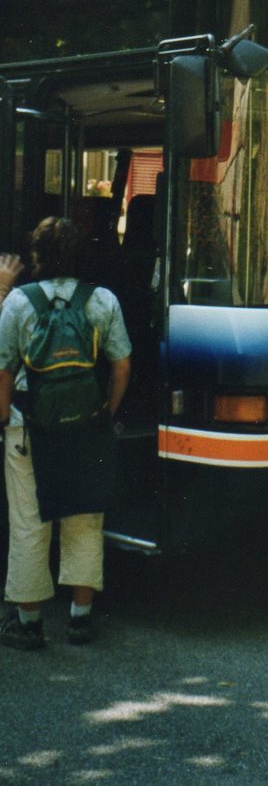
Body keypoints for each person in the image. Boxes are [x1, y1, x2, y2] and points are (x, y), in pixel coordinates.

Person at [0, 219, 131, 650]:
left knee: (29, 523)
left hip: (29, 425)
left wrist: (4, 420)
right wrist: (104, 413)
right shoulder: (102, 300)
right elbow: (121, 364)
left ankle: (29, 622)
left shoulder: (19, 301)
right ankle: (80, 618)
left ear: (36, 257)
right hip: (86, 426)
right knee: (84, 518)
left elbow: (3, 370)